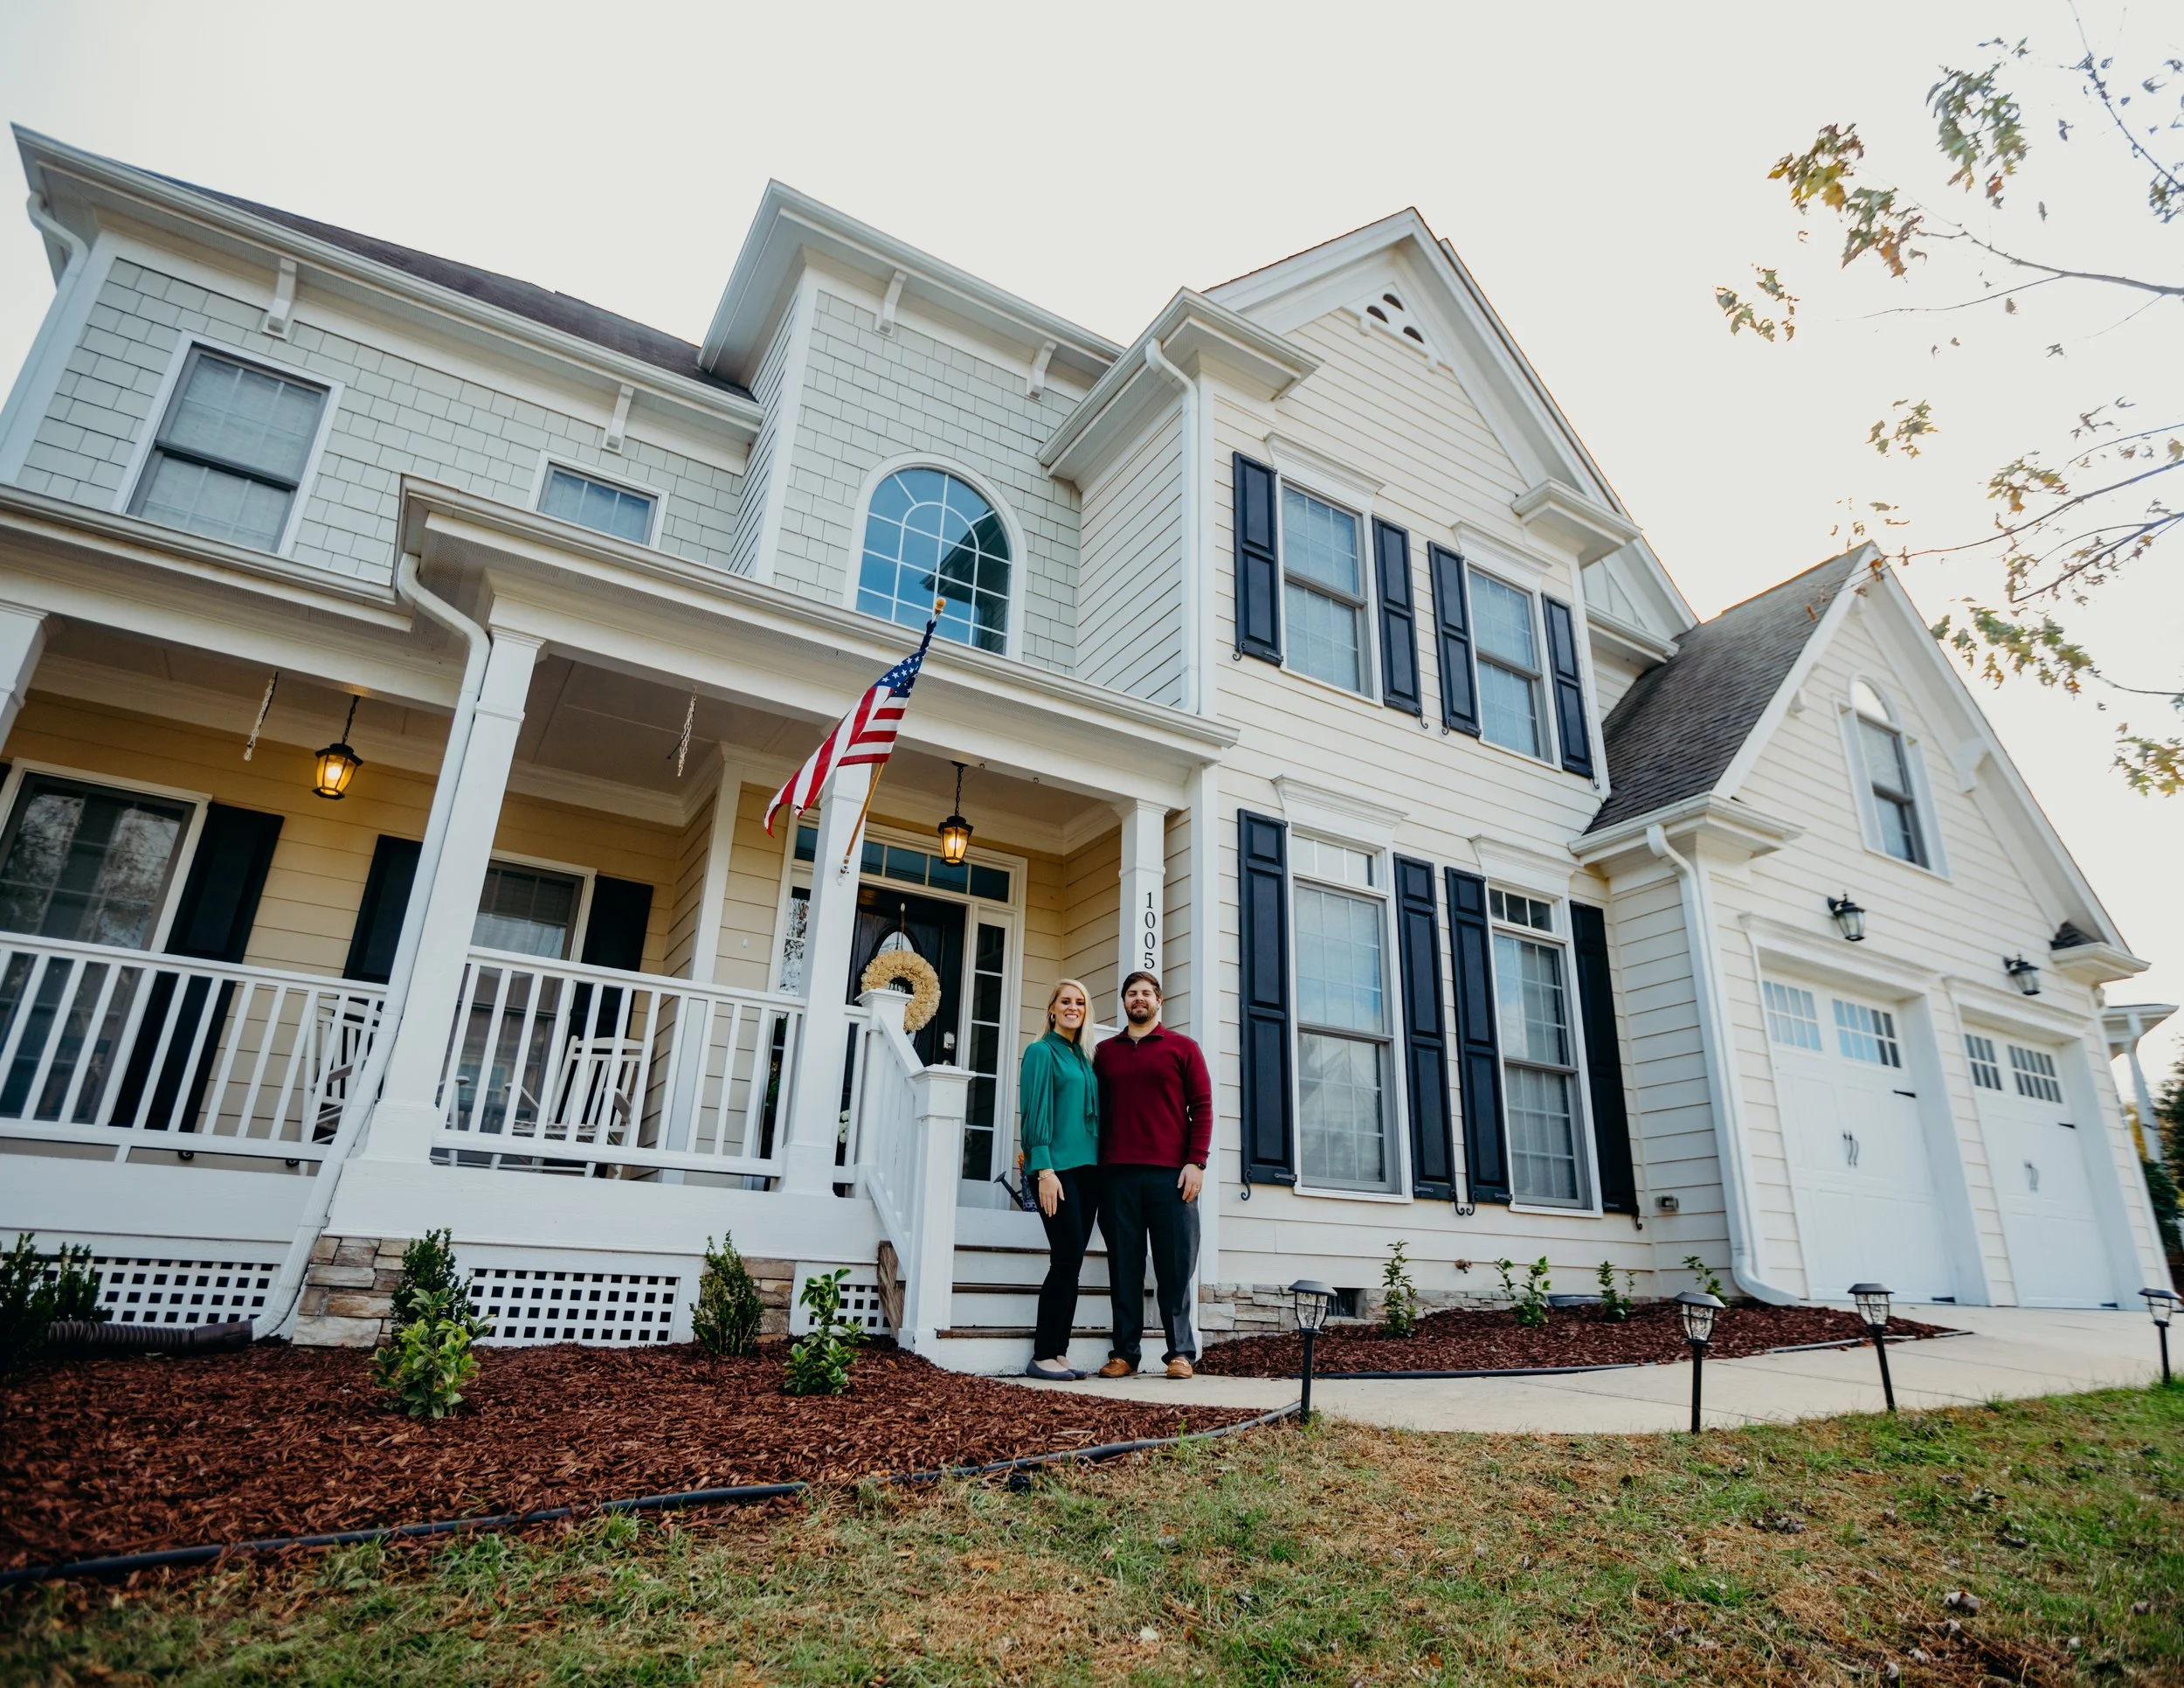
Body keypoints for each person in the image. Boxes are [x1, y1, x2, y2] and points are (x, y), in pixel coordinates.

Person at [1092, 970, 1211, 1380]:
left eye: (1146, 993)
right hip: (1117, 1176)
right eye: (1131, 993)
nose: (1138, 999)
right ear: (1124, 1002)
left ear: (1160, 1000)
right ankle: (1125, 1354)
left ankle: (1180, 1353)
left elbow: (1203, 1108)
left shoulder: (1183, 1048)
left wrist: (1197, 1162)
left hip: (1172, 1178)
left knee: (1175, 1268)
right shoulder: (1105, 1052)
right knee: (1123, 1267)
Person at [1017, 978, 1101, 1380]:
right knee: (1065, 1257)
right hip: (1056, 1172)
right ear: (1052, 1008)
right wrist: (1044, 1170)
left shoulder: (1084, 1058)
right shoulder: (1040, 1052)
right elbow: (1033, 1115)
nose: (1073, 1007)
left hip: (1088, 1174)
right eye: (1065, 1001)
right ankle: (1042, 1354)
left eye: (1080, 1002)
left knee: (1072, 1262)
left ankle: (1059, 1351)